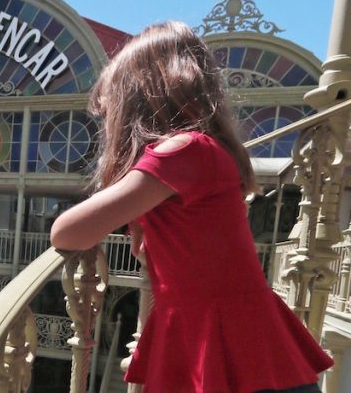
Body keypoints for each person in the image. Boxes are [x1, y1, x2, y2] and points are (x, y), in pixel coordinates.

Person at [50, 21, 332, 393]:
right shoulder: (206, 150)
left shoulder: (183, 151)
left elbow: (67, 232)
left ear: (139, 99)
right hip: (243, 343)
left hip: (229, 346)